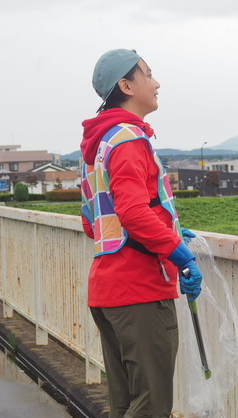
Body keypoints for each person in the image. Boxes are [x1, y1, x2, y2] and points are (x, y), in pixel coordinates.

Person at [80, 48, 203, 418]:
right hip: (140, 291)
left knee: (125, 406)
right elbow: (133, 213)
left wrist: (170, 227)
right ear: (126, 85)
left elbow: (93, 223)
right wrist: (180, 254)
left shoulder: (98, 145)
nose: (157, 82)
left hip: (107, 291)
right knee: (150, 407)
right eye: (148, 74)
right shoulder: (130, 139)